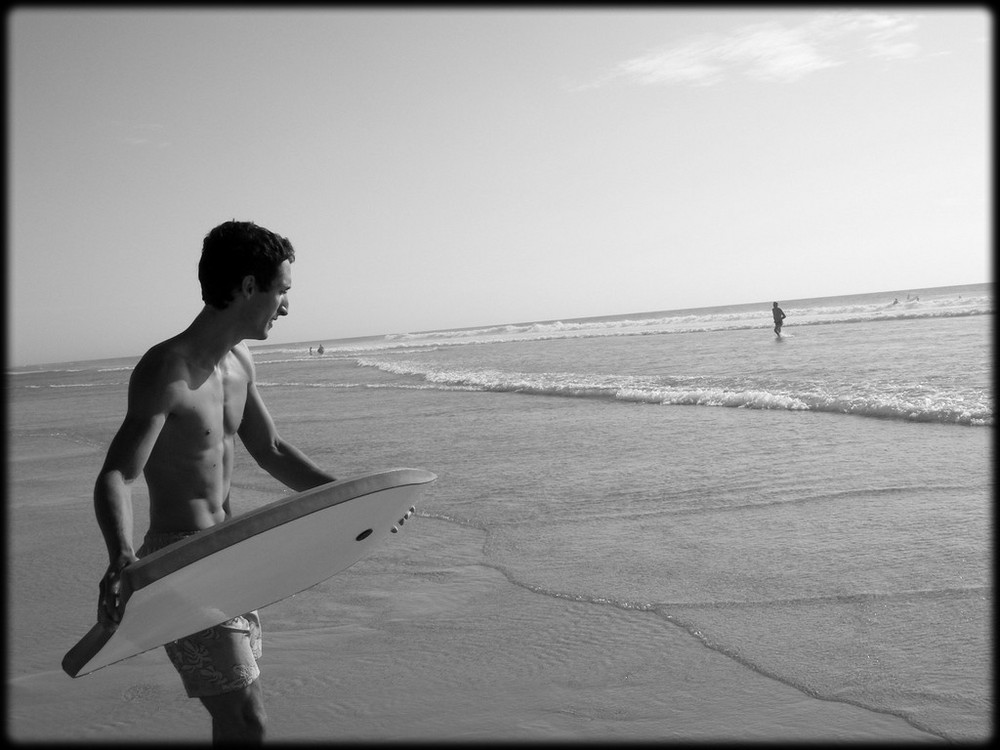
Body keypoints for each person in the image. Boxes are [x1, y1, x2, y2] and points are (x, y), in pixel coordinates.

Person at [93, 220, 336, 744]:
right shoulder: (167, 370)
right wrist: (121, 557)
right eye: (283, 291)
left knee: (238, 721)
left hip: (232, 554)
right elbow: (118, 473)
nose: (287, 307)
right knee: (248, 721)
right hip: (180, 562)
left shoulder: (240, 361)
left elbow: (271, 451)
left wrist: (358, 499)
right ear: (249, 287)